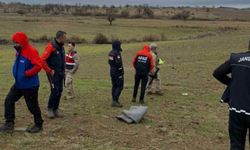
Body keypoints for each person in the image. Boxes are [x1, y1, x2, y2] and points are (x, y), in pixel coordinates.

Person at [0, 32, 43, 133]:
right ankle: (9, 123)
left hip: (30, 85)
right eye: (14, 42)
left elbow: (38, 66)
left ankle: (39, 124)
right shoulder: (19, 51)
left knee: (32, 106)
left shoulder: (32, 51)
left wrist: (26, 73)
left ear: (22, 42)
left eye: (17, 42)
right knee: (9, 100)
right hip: (19, 84)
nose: (15, 44)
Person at [213, 41, 250, 149]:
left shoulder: (236, 58)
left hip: (236, 109)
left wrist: (233, 84)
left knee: (236, 145)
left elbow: (217, 73)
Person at [41, 31, 66, 119]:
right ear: (60, 37)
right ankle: (50, 109)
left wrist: (64, 70)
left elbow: (62, 60)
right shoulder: (51, 46)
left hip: (60, 73)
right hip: (53, 74)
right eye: (64, 37)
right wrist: (49, 70)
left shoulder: (61, 47)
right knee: (55, 90)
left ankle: (56, 109)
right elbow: (42, 60)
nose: (65, 39)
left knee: (60, 90)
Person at [108, 40, 124, 107]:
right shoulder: (117, 53)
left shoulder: (110, 52)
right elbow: (118, 63)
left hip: (112, 70)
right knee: (120, 86)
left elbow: (109, 62)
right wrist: (121, 71)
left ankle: (114, 99)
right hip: (117, 72)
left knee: (114, 85)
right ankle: (115, 100)